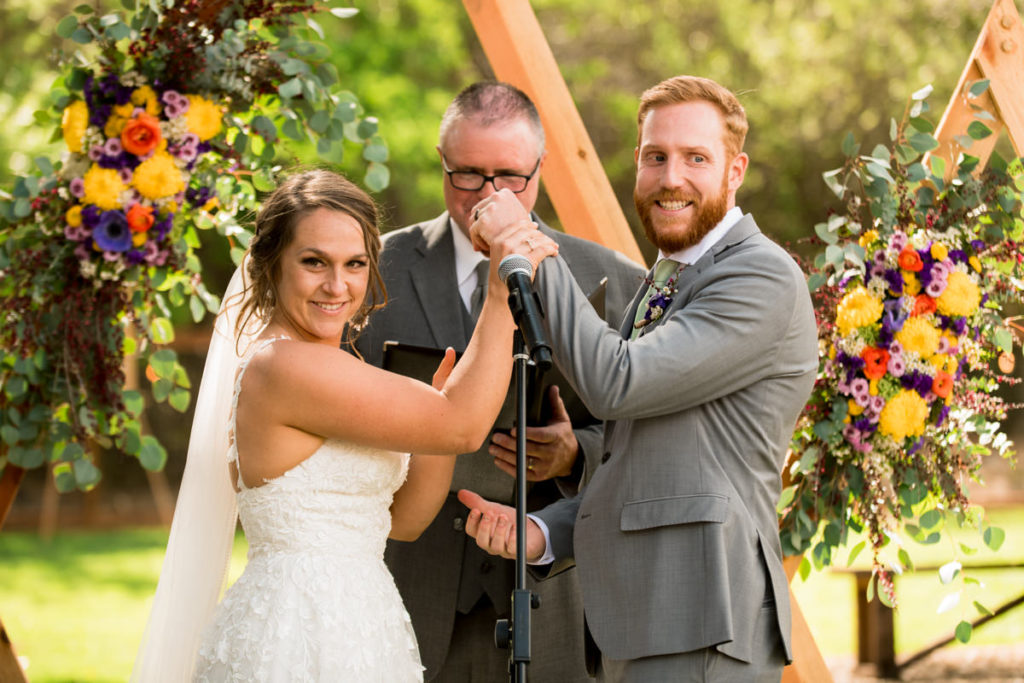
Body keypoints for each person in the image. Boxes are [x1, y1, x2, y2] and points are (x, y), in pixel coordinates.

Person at [130, 169, 558, 682]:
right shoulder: (283, 367)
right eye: (314, 262)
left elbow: (404, 521)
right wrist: (500, 291)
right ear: (271, 266)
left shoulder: (336, 370)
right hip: (294, 631)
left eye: (355, 264)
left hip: (364, 622)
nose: (338, 286)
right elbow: (464, 427)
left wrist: (434, 433)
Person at [459, 75, 819, 682]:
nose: (670, 177)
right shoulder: (669, 278)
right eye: (656, 157)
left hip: (703, 624)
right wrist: (543, 533)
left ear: (736, 170)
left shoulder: (759, 277)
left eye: (695, 158)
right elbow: (655, 461)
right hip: (651, 621)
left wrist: (529, 243)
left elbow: (615, 383)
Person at [354, 82, 644, 681]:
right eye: (467, 175)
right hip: (409, 595)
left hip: (556, 607)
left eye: (509, 176)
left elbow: (645, 435)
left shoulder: (613, 278)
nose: (488, 195)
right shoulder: (367, 271)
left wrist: (573, 454)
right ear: (442, 162)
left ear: (540, 170)